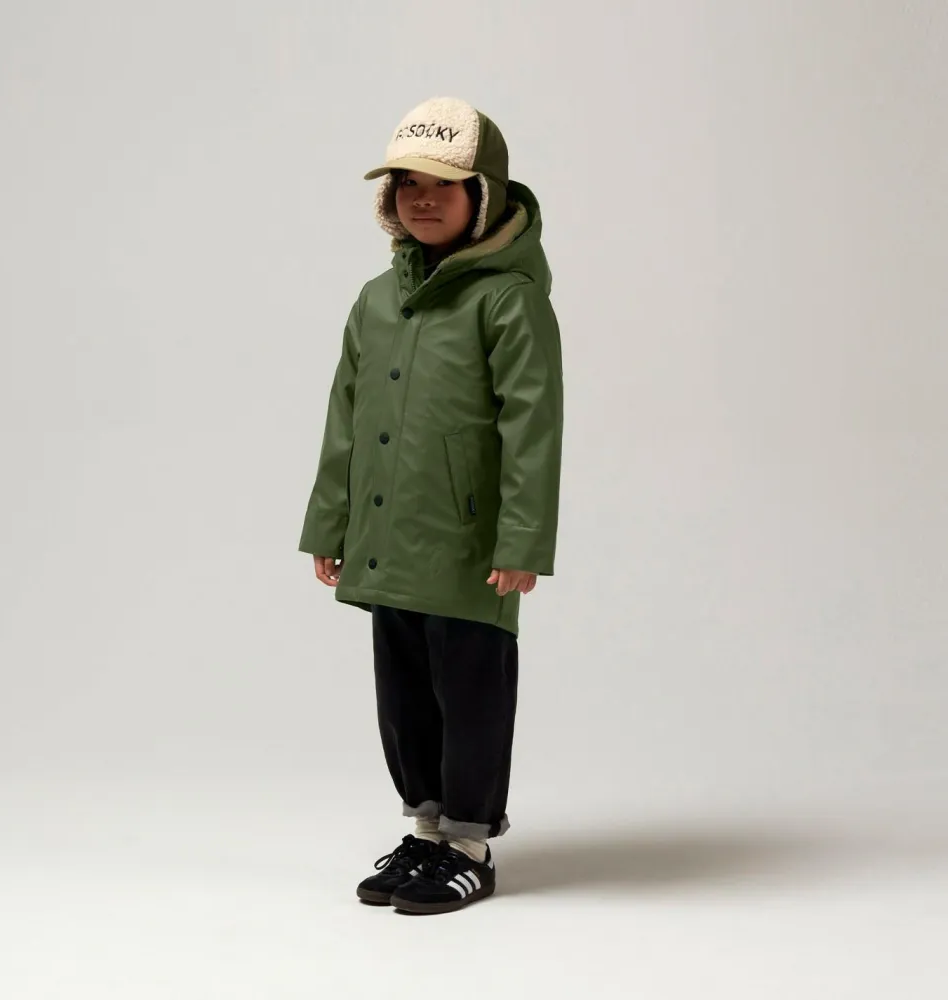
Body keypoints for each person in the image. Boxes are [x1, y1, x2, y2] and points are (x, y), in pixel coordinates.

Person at [298, 96, 564, 914]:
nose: (422, 199)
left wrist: (521, 541)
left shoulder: (508, 300)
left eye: (442, 185)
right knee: (405, 691)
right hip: (389, 536)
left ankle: (469, 844)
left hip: (468, 546)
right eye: (407, 184)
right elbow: (346, 416)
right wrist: (331, 522)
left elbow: (533, 426)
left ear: (482, 195)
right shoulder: (377, 299)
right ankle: (426, 830)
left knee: (470, 689)